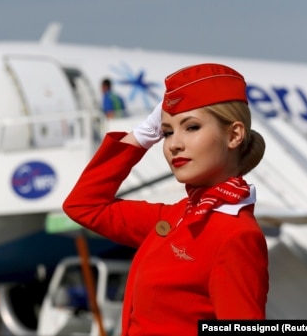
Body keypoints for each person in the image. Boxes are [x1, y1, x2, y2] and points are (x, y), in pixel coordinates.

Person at [63, 63, 268, 335]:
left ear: (234, 135)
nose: (173, 144)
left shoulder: (236, 235)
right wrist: (143, 135)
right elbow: (84, 205)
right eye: (167, 132)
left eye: (191, 127)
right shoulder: (170, 219)